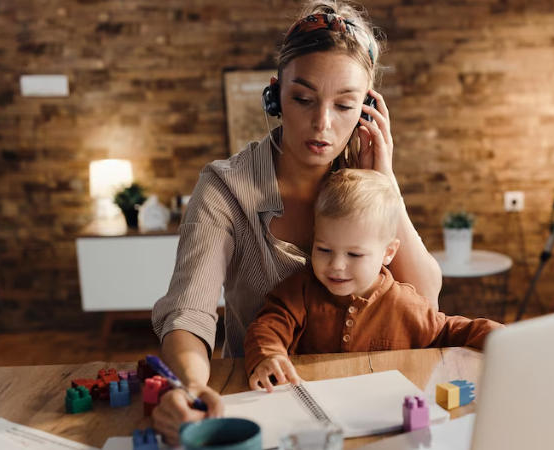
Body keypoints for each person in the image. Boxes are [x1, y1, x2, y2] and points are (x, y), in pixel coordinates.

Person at [150, 0, 443, 444]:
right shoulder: (225, 188)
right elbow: (190, 312)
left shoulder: (366, 181)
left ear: (367, 109)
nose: (322, 123)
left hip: (370, 400)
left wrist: (385, 180)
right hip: (263, 397)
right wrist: (190, 386)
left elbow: (425, 297)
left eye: (344, 105)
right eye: (303, 99)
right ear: (275, 95)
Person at [245, 169, 504, 392]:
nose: (336, 265)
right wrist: (269, 356)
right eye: (324, 249)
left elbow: (450, 331)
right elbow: (266, 327)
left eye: (354, 254)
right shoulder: (298, 292)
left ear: (388, 252)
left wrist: (505, 339)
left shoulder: (405, 305)